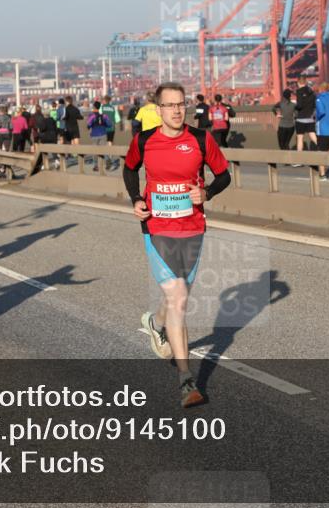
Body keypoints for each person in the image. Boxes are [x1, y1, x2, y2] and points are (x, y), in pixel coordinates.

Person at [123, 82, 230, 408]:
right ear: (158, 110)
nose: (177, 110)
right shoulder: (144, 140)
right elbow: (129, 170)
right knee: (179, 297)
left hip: (193, 227)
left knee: (176, 297)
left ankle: (156, 323)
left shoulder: (200, 138)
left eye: (181, 104)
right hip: (156, 228)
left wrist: (207, 193)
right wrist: (137, 199)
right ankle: (187, 382)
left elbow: (224, 174)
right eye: (170, 105)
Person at [293, 75, 318, 162]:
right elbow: (314, 105)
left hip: (301, 119)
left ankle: (299, 160)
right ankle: (323, 150)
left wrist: (295, 107)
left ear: (298, 82)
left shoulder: (299, 91)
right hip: (310, 118)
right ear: (306, 82)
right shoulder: (311, 91)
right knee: (313, 136)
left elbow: (299, 105)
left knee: (300, 138)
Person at [86, 101, 111, 171]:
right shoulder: (104, 116)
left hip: (94, 135)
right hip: (103, 133)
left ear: (94, 107)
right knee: (104, 149)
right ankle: (107, 160)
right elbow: (109, 124)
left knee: (95, 150)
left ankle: (96, 166)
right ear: (99, 107)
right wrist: (104, 125)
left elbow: (88, 124)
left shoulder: (91, 116)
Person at [100, 95, 120, 169]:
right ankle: (110, 156)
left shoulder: (101, 108)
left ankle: (106, 158)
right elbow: (117, 119)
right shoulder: (113, 108)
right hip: (112, 128)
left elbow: (99, 116)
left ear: (104, 101)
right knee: (110, 141)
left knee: (104, 142)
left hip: (103, 128)